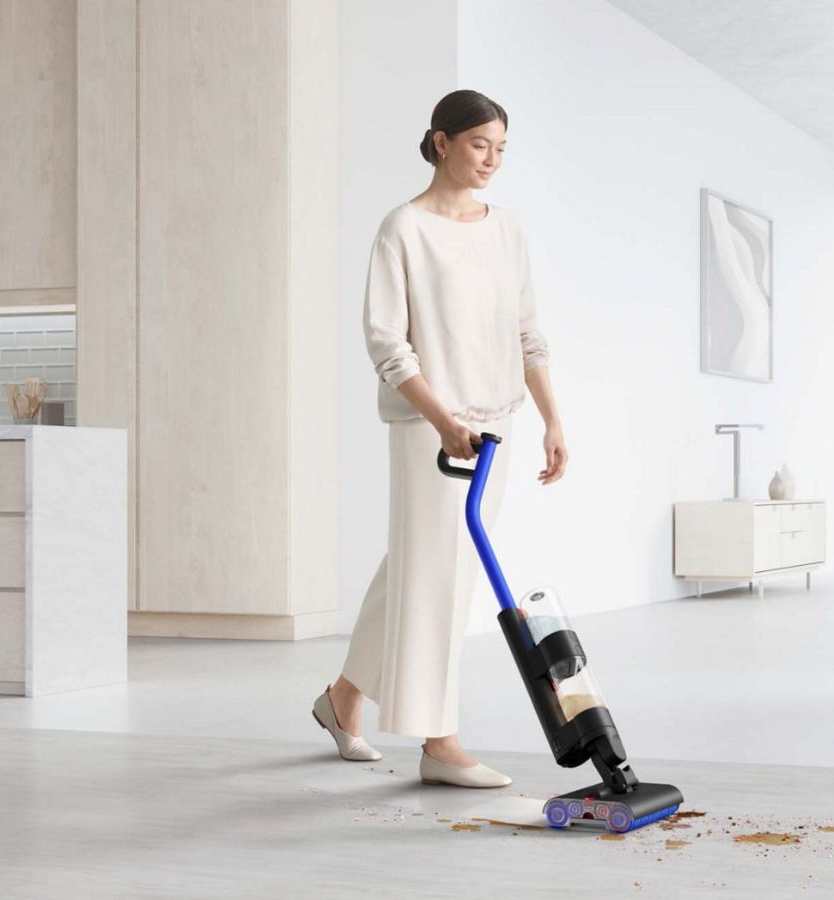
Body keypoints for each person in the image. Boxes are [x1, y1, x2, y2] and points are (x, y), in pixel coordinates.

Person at [310, 89, 567, 788]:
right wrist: (442, 420)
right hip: (430, 428)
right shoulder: (404, 229)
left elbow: (527, 332)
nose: (492, 159)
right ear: (442, 141)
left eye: (501, 148)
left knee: (420, 565)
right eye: (480, 144)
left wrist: (551, 417)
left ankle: (342, 699)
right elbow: (387, 344)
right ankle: (438, 741)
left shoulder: (505, 229)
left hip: (496, 422)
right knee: (437, 577)